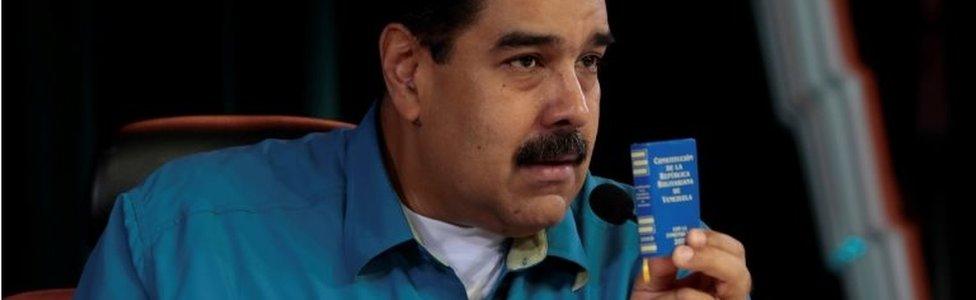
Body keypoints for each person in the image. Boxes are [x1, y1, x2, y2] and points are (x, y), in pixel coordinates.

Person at [76, 0, 751, 298]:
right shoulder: (180, 240)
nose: (574, 105)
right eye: (525, 61)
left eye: (590, 63)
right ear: (408, 71)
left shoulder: (652, 263)